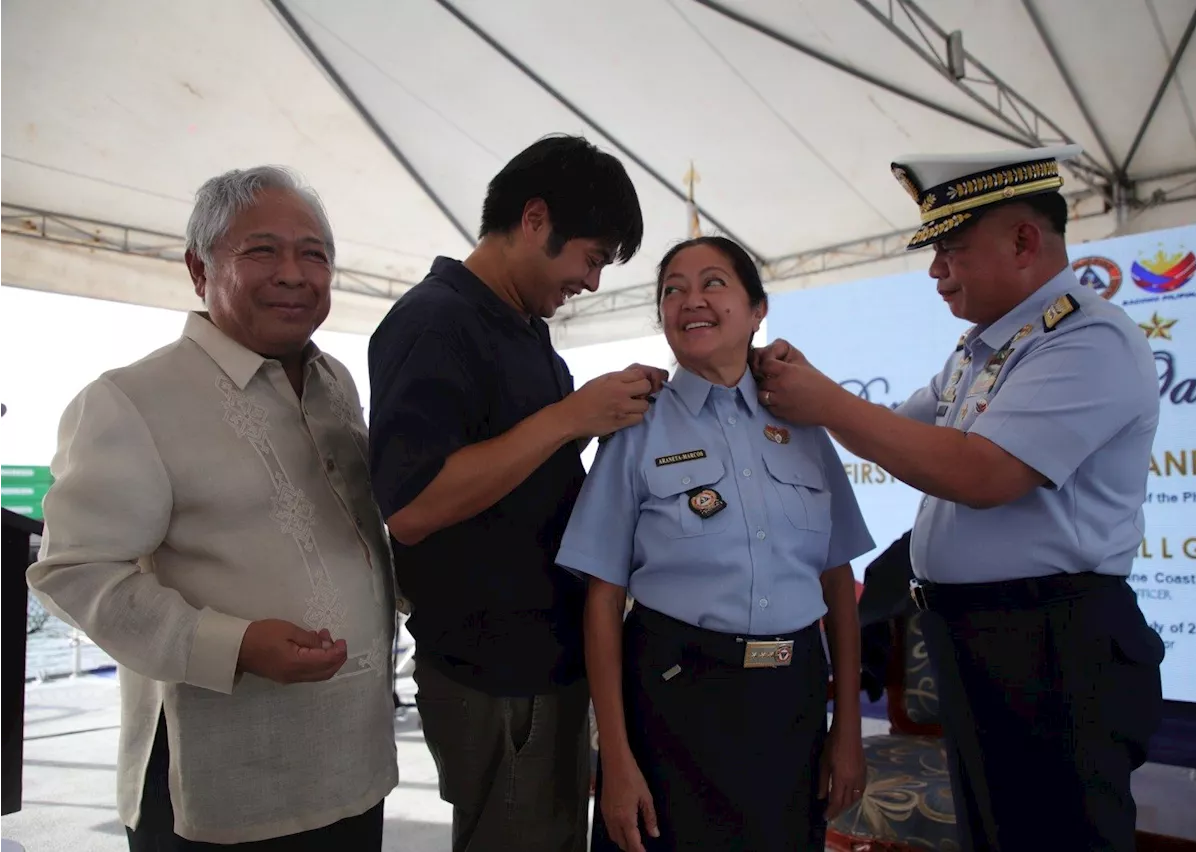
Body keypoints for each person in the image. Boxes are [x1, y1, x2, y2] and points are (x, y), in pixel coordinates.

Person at [755, 145, 1165, 852]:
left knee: (1059, 837)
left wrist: (824, 400)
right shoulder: (984, 350)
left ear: (1024, 240)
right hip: (983, 642)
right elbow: (899, 434)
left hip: (1053, 648)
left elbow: (982, 475)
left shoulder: (1085, 339)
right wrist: (804, 392)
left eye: (952, 249)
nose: (936, 271)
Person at [27, 166, 397, 849]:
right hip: (226, 779)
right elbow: (74, 572)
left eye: (314, 254)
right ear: (200, 269)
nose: (294, 273)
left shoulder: (336, 383)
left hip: (356, 761)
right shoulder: (133, 399)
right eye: (262, 250)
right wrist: (237, 645)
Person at [367, 134, 666, 852]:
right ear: (535, 220)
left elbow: (525, 473)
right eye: (591, 259)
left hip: (546, 662)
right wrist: (570, 417)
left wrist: (600, 420)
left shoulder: (524, 332)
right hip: (497, 675)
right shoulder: (435, 322)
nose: (592, 284)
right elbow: (412, 507)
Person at [556, 236, 875, 851]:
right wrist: (615, 762)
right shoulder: (635, 423)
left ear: (758, 309)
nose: (690, 300)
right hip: (675, 701)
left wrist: (848, 731)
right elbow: (601, 600)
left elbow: (837, 582)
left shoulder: (804, 420)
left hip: (790, 702)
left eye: (713, 283)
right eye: (672, 289)